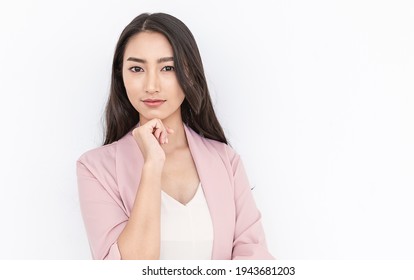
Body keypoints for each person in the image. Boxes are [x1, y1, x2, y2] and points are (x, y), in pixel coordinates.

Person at [76, 12, 273, 260]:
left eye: (167, 67)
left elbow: (256, 260)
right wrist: (152, 166)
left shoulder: (226, 161)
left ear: (189, 72)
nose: (151, 85)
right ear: (121, 76)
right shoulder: (95, 168)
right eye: (137, 68)